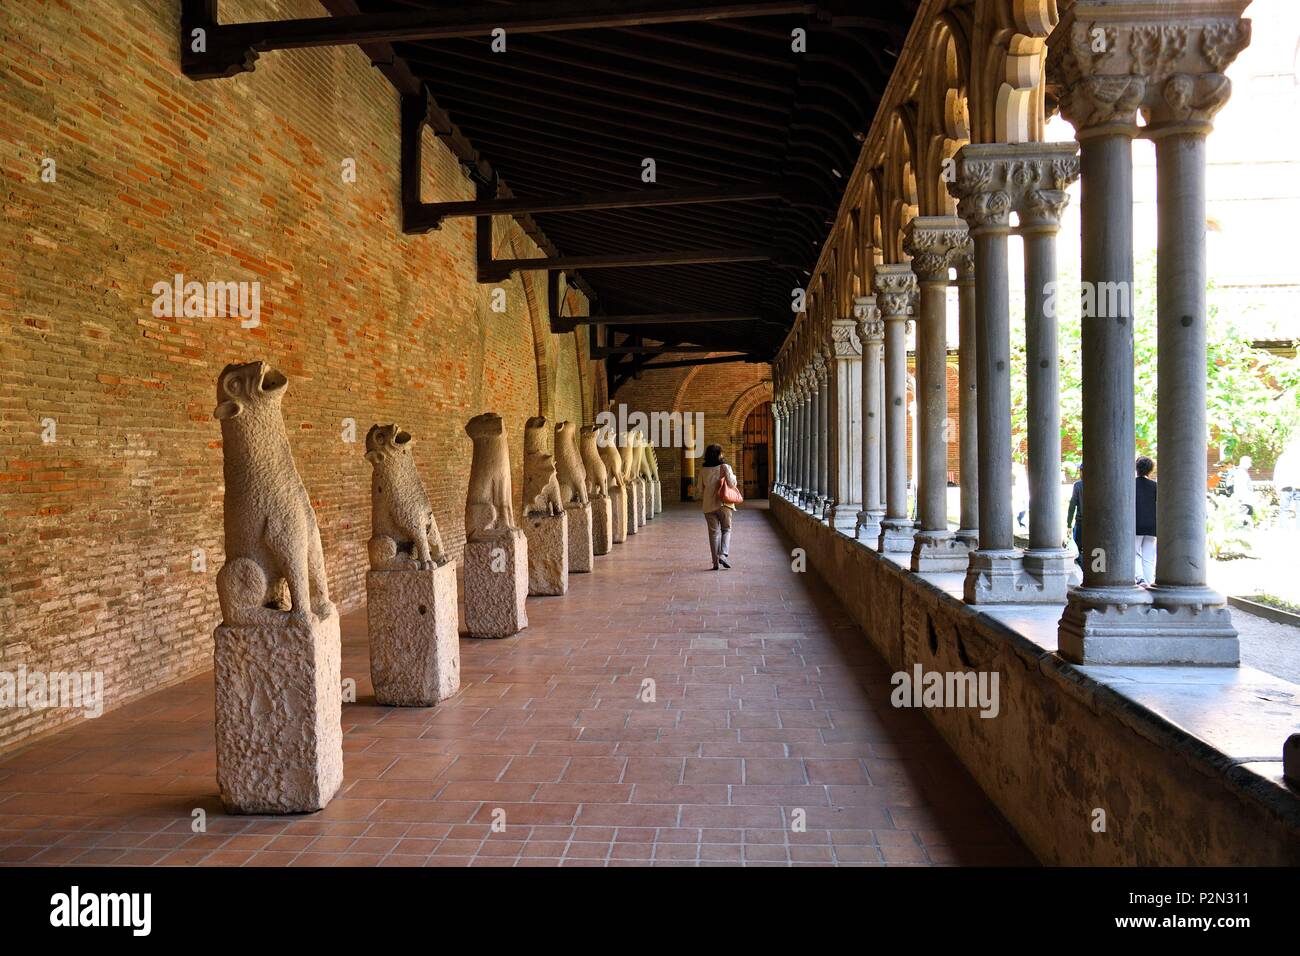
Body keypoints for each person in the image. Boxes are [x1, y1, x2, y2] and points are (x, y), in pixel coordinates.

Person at [699, 443, 739, 570]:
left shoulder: (703, 470)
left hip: (708, 506)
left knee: (713, 534)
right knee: (726, 530)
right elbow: (732, 484)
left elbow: (700, 489)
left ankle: (715, 562)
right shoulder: (725, 467)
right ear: (719, 454)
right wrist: (734, 478)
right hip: (723, 504)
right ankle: (723, 555)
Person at [1134, 456, 1157, 586]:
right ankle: (1149, 581)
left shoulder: (1131, 485)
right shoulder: (1155, 486)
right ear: (1150, 470)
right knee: (1149, 557)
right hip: (1152, 525)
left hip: (1136, 524)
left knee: (1136, 553)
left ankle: (1140, 578)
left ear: (1137, 469)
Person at [1066, 465, 1083, 569]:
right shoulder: (1097, 484)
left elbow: (1072, 505)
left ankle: (1083, 570)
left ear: (1081, 471)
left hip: (1080, 522)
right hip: (1095, 524)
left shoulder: (1077, 485)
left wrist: (1068, 523)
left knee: (1078, 548)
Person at [1231, 455, 1256, 524]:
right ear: (1245, 462)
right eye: (1249, 463)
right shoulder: (1241, 473)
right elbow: (1241, 488)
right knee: (1245, 520)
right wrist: (1242, 500)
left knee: (1245, 519)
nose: (1250, 465)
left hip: (1245, 500)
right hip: (1244, 501)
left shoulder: (1241, 472)